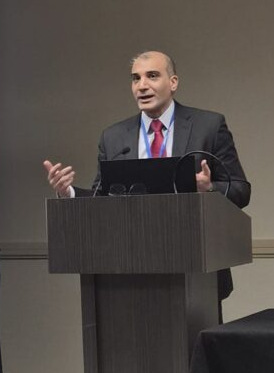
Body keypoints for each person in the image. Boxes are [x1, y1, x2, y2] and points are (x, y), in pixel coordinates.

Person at [43, 50, 250, 298]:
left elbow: (241, 190)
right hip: (127, 269)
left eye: (152, 76)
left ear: (173, 82)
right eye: (135, 78)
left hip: (195, 264)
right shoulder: (114, 137)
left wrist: (209, 190)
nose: (142, 86)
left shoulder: (209, 125)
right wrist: (68, 192)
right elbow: (102, 198)